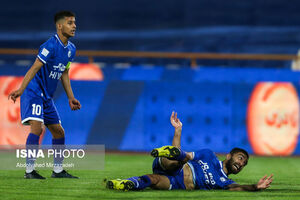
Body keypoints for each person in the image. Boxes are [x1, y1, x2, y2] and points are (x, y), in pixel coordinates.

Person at [106, 111, 273, 191]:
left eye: (244, 163)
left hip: (178, 183)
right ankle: (166, 152)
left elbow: (239, 188)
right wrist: (178, 131)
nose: (241, 163)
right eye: (240, 158)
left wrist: (255, 187)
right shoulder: (209, 155)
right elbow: (186, 155)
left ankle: (125, 183)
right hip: (174, 166)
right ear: (229, 155)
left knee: (153, 180)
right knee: (179, 158)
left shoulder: (225, 182)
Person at [8, 11, 81, 179]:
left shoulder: (71, 49)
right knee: (37, 128)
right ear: (59, 25)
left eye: (75, 23)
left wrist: (71, 97)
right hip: (34, 91)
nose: (74, 26)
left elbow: (64, 73)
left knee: (59, 132)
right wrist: (20, 89)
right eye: (70, 23)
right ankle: (29, 171)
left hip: (47, 96)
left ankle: (57, 171)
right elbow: (34, 67)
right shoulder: (49, 45)